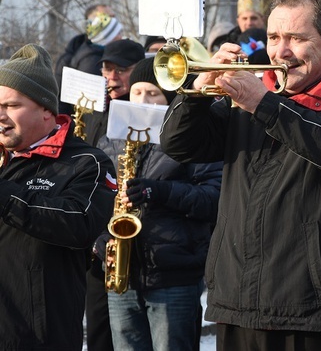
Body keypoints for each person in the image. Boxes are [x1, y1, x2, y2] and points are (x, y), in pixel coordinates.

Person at [159, 0, 321, 350]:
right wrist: (195, 95)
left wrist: (263, 104)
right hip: (238, 299)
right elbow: (179, 146)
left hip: (312, 306)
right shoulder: (253, 97)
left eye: (296, 38)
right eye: (273, 37)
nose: (280, 51)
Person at [97, 57, 222, 351]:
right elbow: (97, 198)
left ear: (171, 98)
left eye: (153, 94)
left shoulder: (194, 140)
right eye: (138, 92)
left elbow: (213, 198)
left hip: (173, 275)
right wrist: (101, 240)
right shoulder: (111, 140)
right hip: (122, 274)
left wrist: (160, 191)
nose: (143, 101)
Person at [0, 44, 116, 349]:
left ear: (47, 110)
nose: (0, 116)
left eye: (11, 106)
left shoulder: (86, 161)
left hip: (39, 338)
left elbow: (79, 225)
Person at [82, 38, 145, 351]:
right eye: (107, 69)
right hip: (99, 238)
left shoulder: (146, 109)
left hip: (141, 239)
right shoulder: (95, 111)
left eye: (122, 70)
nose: (112, 77)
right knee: (98, 328)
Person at [54, 4, 123, 114]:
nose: (112, 21)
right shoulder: (91, 59)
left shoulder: (87, 51)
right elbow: (90, 107)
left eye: (114, 17)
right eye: (107, 18)